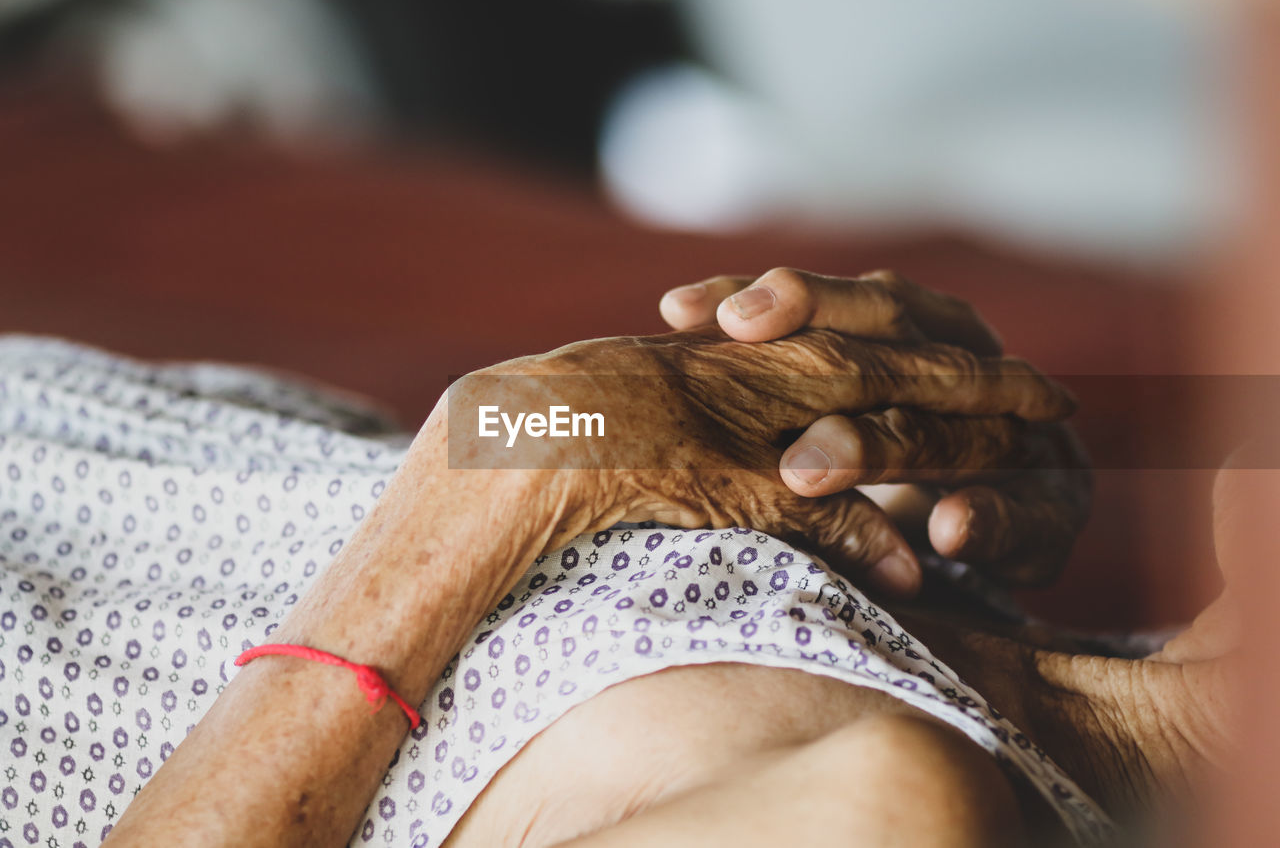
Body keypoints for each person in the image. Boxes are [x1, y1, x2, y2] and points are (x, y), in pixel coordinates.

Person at [0, 270, 1226, 847]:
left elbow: (500, 455)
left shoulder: (889, 816)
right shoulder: (1062, 712)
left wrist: (508, 461)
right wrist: (884, 451)